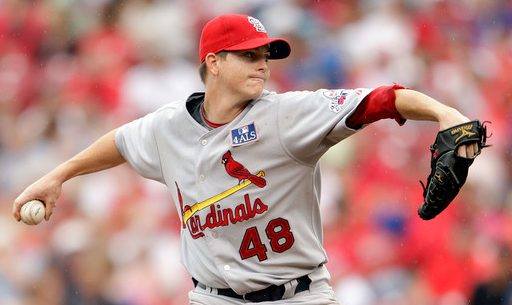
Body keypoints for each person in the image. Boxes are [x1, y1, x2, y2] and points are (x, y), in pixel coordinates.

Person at [13, 14, 481, 304]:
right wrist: (59, 175)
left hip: (300, 296)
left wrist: (445, 113)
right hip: (213, 298)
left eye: (266, 55)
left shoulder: (289, 115)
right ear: (213, 63)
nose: (263, 63)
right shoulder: (167, 126)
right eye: (248, 55)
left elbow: (382, 99)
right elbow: (119, 141)